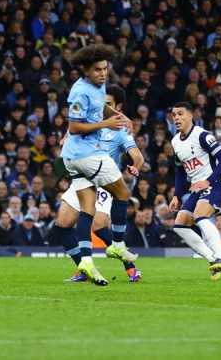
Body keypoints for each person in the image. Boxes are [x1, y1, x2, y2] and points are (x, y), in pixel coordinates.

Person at [59, 44, 137, 285]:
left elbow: (100, 106)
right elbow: (74, 127)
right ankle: (117, 246)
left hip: (74, 158)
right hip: (86, 155)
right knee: (123, 193)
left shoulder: (98, 86)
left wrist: (119, 116)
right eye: (97, 70)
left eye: (105, 69)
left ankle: (87, 263)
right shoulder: (80, 91)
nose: (103, 73)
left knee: (87, 210)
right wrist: (106, 124)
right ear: (85, 70)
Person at [169, 102, 221, 280]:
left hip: (216, 184)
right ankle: (213, 260)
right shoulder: (175, 142)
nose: (176, 118)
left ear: (191, 116)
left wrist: (208, 180)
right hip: (198, 188)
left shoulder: (203, 136)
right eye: (174, 115)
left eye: (180, 114)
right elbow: (180, 171)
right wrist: (176, 195)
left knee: (200, 215)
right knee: (180, 224)